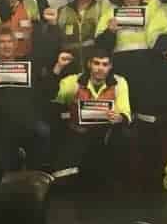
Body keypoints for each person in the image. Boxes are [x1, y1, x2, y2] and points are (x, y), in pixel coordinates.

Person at [97, 0, 167, 187]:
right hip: (120, 67)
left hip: (146, 66)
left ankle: (148, 173)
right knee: (122, 118)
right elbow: (101, 46)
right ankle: (121, 173)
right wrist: (110, 31)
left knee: (146, 119)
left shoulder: (151, 9)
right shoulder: (111, 12)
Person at [51, 50, 132, 184]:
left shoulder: (120, 82)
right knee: (64, 180)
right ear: (89, 64)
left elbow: (125, 112)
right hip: (77, 134)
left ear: (110, 66)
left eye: (105, 64)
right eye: (96, 63)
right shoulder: (73, 81)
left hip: (103, 137)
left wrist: (119, 117)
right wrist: (58, 67)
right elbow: (51, 94)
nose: (100, 68)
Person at [0, 26, 41, 173]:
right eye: (2, 42)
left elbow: (40, 91)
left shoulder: (27, 65)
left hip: (27, 121)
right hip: (1, 124)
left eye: (10, 41)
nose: (6, 45)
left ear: (15, 44)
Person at [42, 0, 107, 77]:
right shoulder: (62, 11)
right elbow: (54, 42)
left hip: (95, 69)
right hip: (69, 68)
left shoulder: (101, 8)